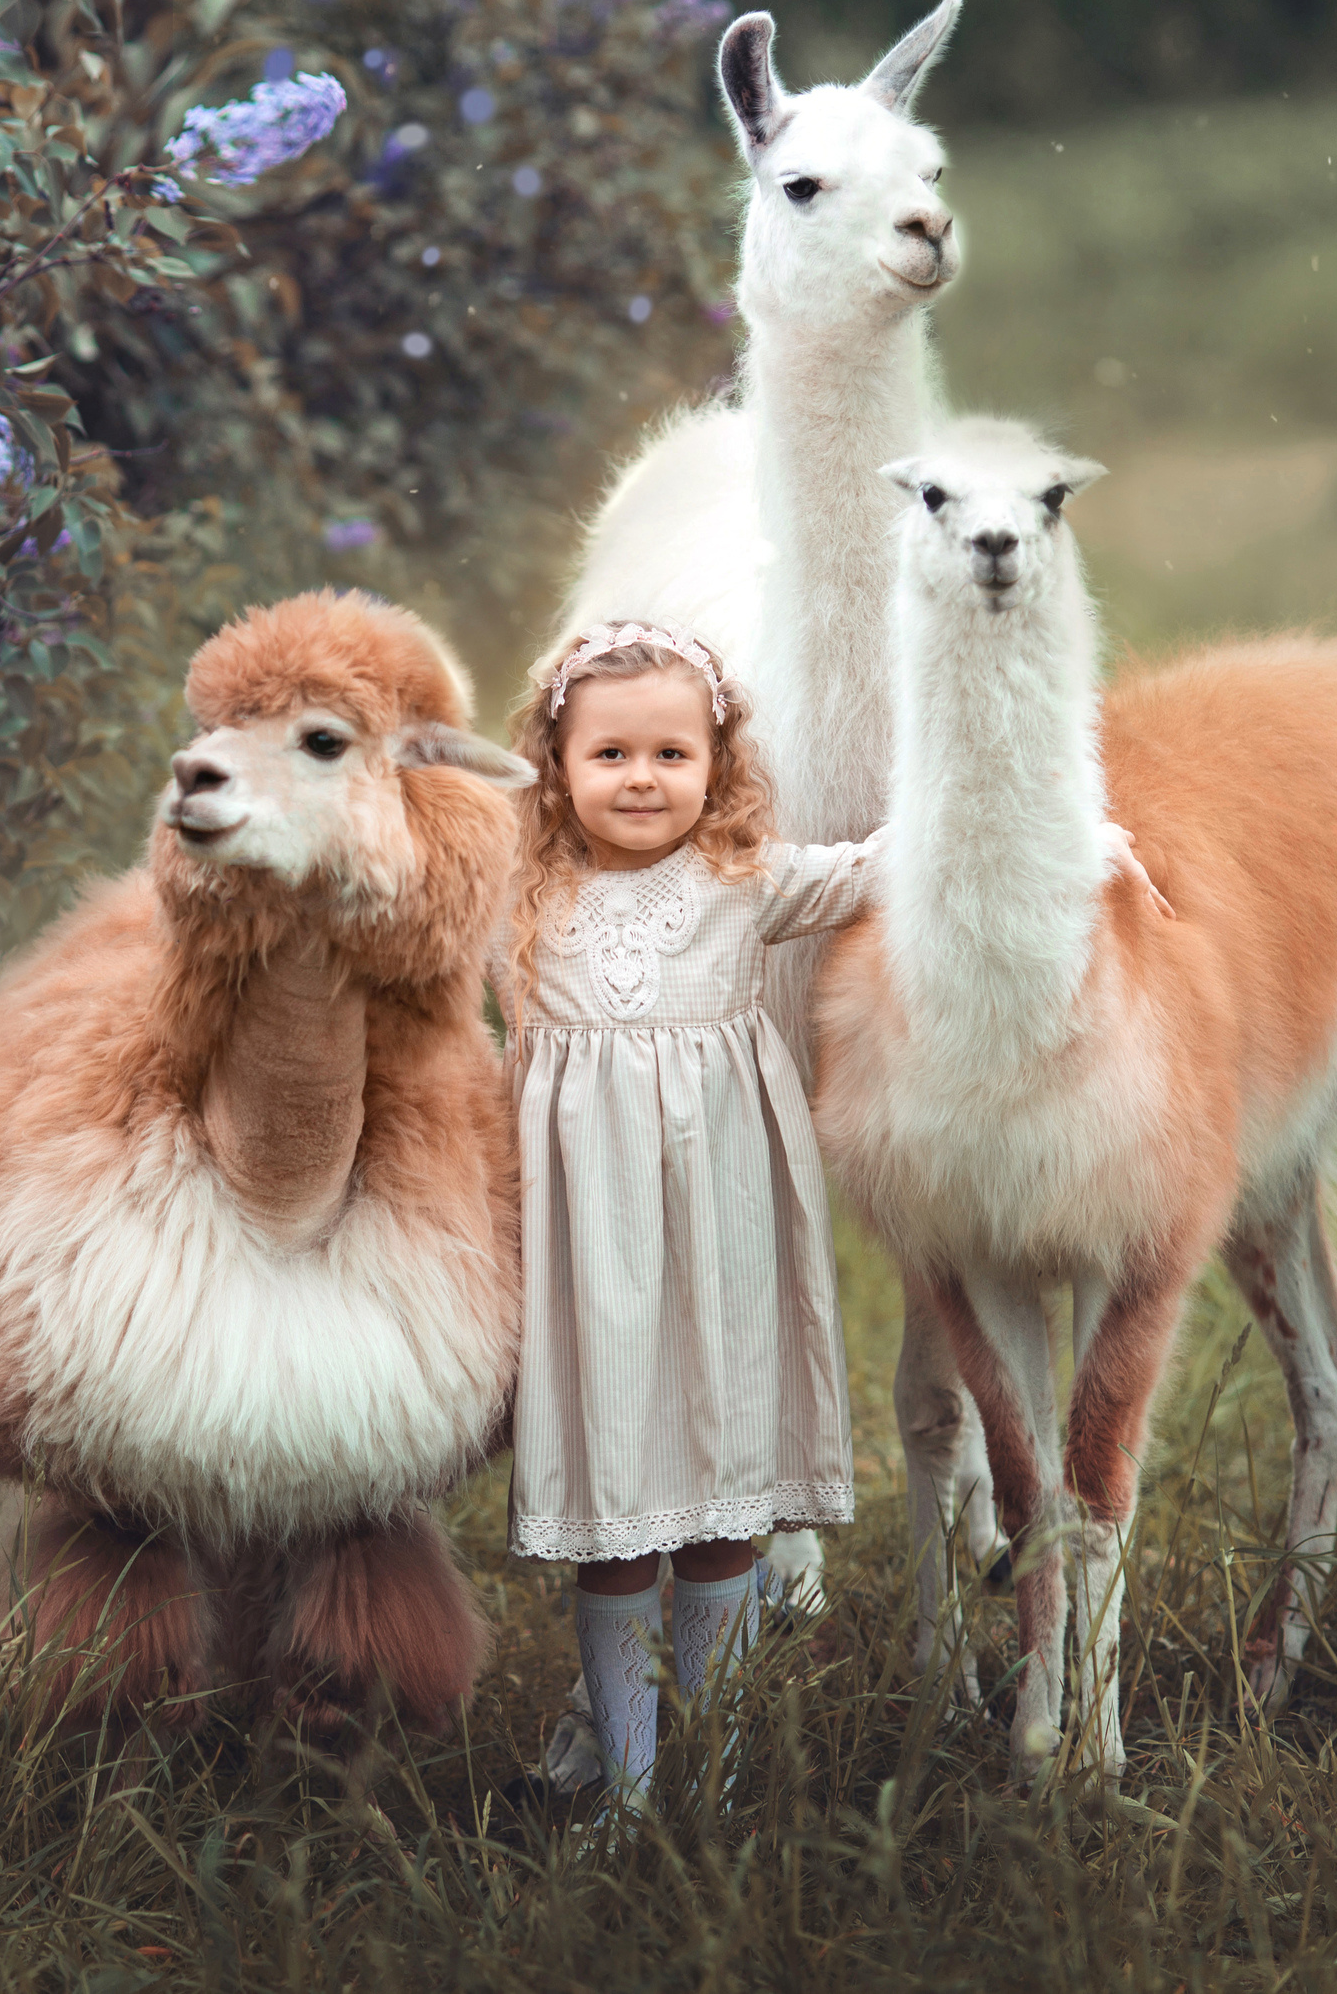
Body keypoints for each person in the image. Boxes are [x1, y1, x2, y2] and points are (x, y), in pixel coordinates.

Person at [497, 618, 876, 1816]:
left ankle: (704, 1778)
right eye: (609, 753)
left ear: (716, 764)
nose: (643, 778)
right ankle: (627, 1780)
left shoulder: (743, 881)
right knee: (617, 1513)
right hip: (583, 1250)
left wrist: (1063, 830)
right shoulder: (514, 898)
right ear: (554, 764)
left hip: (720, 1234)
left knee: (719, 1499)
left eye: (673, 752)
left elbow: (890, 864)